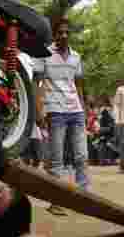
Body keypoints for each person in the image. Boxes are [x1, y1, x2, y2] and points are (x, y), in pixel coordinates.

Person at [34, 16, 90, 194]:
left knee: (82, 155)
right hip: (55, 111)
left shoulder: (76, 57)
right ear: (54, 35)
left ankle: (83, 194)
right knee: (56, 158)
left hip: (76, 111)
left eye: (67, 32)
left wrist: (84, 109)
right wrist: (39, 111)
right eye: (60, 32)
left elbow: (78, 84)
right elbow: (37, 84)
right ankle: (56, 198)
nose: (64, 35)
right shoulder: (44, 54)